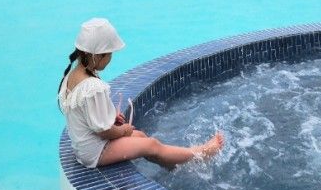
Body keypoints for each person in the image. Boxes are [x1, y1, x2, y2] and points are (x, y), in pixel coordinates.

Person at [58, 18, 224, 170]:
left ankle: (170, 164)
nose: (110, 59)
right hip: (95, 152)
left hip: (85, 146)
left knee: (141, 136)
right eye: (109, 55)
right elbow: (104, 131)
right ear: (96, 56)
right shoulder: (92, 87)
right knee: (150, 144)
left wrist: (110, 117)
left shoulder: (73, 75)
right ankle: (200, 153)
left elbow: (88, 115)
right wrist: (123, 130)